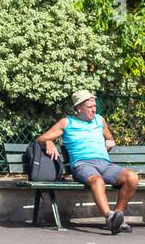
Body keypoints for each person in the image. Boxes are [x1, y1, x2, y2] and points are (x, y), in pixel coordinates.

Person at [38, 90, 140, 233]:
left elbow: (109, 137)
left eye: (94, 106)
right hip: (82, 164)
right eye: (90, 107)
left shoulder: (100, 120)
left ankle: (117, 217)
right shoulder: (67, 122)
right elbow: (41, 138)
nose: (94, 109)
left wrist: (110, 141)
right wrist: (48, 142)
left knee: (132, 177)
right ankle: (109, 217)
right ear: (79, 108)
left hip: (105, 164)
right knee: (97, 181)